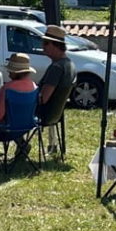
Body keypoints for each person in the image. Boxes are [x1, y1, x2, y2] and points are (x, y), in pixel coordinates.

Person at [36, 25, 76, 154]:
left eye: (46, 43)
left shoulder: (57, 68)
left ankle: (21, 146)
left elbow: (43, 98)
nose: (43, 46)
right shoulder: (70, 64)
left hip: (43, 113)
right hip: (56, 114)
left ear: (55, 45)